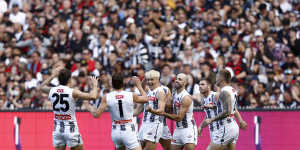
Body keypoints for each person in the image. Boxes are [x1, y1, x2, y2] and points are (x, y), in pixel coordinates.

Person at [39, 66, 99, 150]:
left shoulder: (52, 90)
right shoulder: (72, 92)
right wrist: (95, 85)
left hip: (57, 130)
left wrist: (53, 75)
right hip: (71, 129)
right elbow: (93, 96)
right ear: (69, 80)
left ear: (58, 79)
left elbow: (41, 87)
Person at [84, 74, 148, 150]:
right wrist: (139, 85)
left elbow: (96, 114)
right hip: (128, 130)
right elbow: (146, 99)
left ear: (112, 84)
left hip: (116, 131)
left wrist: (89, 106)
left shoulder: (107, 97)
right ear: (123, 83)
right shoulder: (130, 95)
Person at [196, 78, 247, 150]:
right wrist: (201, 126)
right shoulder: (203, 99)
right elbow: (209, 114)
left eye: (203, 84)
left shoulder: (216, 95)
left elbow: (231, 108)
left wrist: (240, 121)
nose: (200, 86)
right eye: (199, 85)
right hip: (215, 131)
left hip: (222, 129)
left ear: (209, 86)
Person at [155, 73, 198, 150]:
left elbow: (179, 118)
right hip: (178, 129)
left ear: (185, 83)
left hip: (188, 129)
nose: (176, 80)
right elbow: (171, 108)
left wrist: (163, 113)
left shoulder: (186, 97)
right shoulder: (174, 93)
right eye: (177, 79)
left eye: (180, 79)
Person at [138, 70, 167, 150]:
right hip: (144, 124)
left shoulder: (160, 92)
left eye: (152, 79)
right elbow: (142, 87)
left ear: (157, 79)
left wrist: (151, 110)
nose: (149, 82)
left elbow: (161, 111)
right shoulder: (148, 91)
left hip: (154, 125)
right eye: (148, 80)